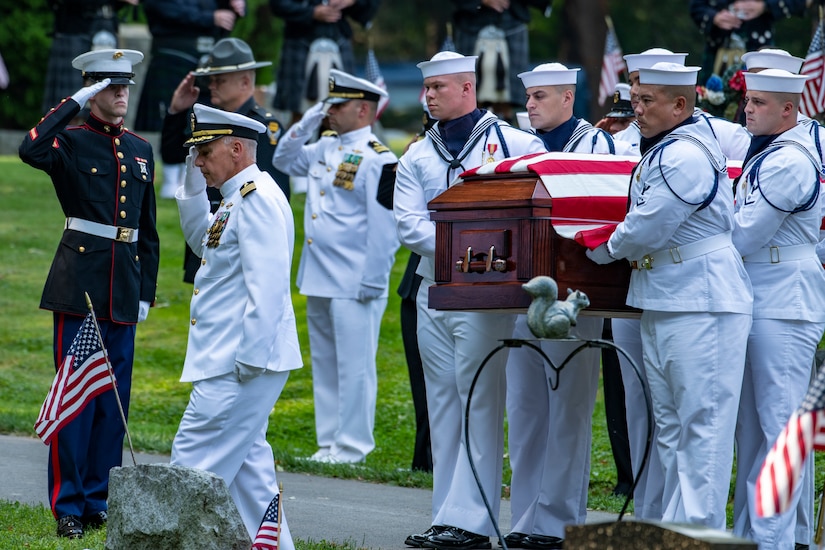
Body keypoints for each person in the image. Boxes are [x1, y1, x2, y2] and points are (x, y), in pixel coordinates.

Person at [586, 61, 753, 529]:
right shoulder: (670, 146)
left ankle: (697, 533)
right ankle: (676, 532)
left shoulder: (686, 154)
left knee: (703, 428)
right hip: (666, 296)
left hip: (702, 301)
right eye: (634, 100)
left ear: (680, 104)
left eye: (646, 101)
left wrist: (600, 250)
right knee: (674, 428)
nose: (635, 110)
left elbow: (647, 226)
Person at [394, 51, 545, 549]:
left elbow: (528, 211)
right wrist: (464, 246)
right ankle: (447, 515)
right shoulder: (417, 154)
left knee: (479, 399)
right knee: (441, 403)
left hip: (486, 290)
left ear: (466, 87)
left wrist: (473, 253)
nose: (429, 95)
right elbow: (408, 225)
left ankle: (474, 520)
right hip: (433, 287)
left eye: (439, 87)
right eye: (427, 87)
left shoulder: (515, 144)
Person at [19, 48, 159, 539]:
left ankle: (100, 498)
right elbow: (29, 149)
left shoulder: (141, 149)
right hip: (79, 285)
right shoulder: (71, 141)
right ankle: (69, 505)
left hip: (123, 286)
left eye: (124, 86)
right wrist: (71, 103)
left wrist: (146, 290)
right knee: (76, 399)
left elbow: (148, 230)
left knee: (111, 400)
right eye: (110, 86)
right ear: (92, 90)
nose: (121, 94)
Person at [170, 103, 302, 543]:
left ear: (237, 149)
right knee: (251, 475)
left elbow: (267, 289)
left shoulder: (256, 199)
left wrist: (247, 362)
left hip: (239, 363)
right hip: (236, 360)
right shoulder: (235, 197)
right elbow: (201, 240)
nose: (200, 161)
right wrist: (191, 178)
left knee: (190, 465)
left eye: (204, 153)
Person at [503, 62, 619, 550]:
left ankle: (556, 523)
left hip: (575, 296)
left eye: (541, 97)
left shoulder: (597, 144)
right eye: (529, 98)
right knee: (525, 408)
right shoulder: (514, 143)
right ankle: (524, 516)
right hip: (520, 290)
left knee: (567, 408)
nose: (530, 106)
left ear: (569, 99)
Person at [273, 69, 399, 464]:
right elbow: (284, 158)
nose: (331, 111)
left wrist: (374, 279)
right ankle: (329, 442)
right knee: (326, 363)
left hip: (355, 278)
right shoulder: (325, 146)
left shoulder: (380, 159)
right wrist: (310, 119)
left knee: (356, 366)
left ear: (363, 109)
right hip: (320, 273)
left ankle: (353, 445)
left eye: (338, 105)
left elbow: (385, 228)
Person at [730, 68, 825, 549]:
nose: (748, 109)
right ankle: (753, 535)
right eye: (748, 101)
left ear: (789, 109)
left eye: (760, 102)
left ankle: (777, 541)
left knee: (779, 428)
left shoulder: (790, 161)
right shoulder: (766, 155)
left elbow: (745, 233)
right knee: (752, 428)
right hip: (757, 294)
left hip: (784, 300)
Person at [135, 0, 242, 134]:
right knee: (169, 122)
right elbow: (164, 8)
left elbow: (222, 11)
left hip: (207, 59)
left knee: (208, 124)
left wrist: (234, 6)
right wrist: (210, 18)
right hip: (172, 58)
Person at [268, 0, 380, 124]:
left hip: (338, 38)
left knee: (339, 113)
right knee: (300, 116)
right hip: (299, 40)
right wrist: (311, 12)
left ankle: (336, 143)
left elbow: (369, 9)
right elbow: (278, 4)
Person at [450, 0, 551, 123]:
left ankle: (505, 135)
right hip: (470, 22)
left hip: (512, 21)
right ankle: (472, 135)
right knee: (468, 94)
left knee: (506, 101)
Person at [41, 0, 137, 114]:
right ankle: (69, 131)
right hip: (74, 26)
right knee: (69, 107)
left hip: (106, 24)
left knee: (107, 102)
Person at [688, 0, 808, 84]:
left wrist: (765, 5)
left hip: (759, 52)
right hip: (718, 52)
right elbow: (696, 6)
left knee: (759, 102)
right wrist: (714, 17)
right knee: (711, 101)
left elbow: (800, 3)